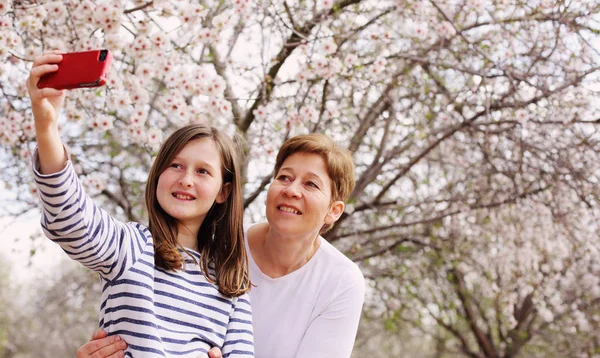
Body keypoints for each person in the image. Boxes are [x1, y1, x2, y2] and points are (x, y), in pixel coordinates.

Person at [27, 53, 254, 357]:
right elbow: (71, 217)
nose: (186, 179)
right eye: (175, 166)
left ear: (223, 192)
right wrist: (47, 128)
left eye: (202, 171)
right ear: (157, 174)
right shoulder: (131, 248)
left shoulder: (232, 284)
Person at [79, 132, 366, 358]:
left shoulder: (341, 281)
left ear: (334, 211)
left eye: (311, 185)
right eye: (284, 177)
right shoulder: (215, 245)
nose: (291, 190)